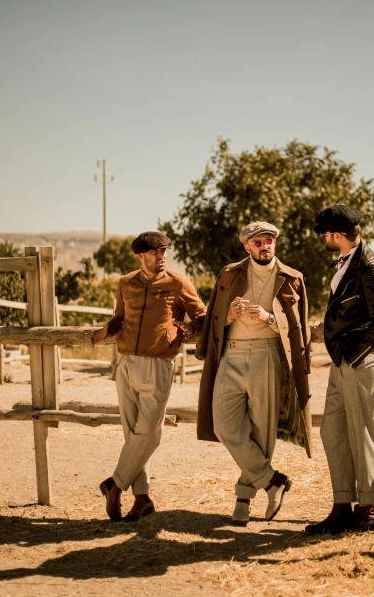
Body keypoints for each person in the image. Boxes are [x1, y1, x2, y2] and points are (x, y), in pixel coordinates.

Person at [195, 221, 312, 526]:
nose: (265, 246)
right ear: (246, 246)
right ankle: (273, 481)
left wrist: (269, 317)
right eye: (257, 242)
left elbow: (300, 328)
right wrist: (228, 316)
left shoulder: (292, 278)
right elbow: (214, 316)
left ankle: (243, 498)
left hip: (267, 356)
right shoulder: (229, 273)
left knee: (261, 432)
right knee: (223, 424)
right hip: (230, 354)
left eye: (269, 240)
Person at [91, 231, 207, 522]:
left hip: (158, 364)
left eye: (164, 251)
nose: (161, 256)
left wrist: (186, 331)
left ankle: (114, 484)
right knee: (132, 433)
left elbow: (203, 317)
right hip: (126, 362)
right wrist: (105, 330)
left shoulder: (178, 282)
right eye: (155, 253)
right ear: (141, 256)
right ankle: (141, 499)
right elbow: (120, 318)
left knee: (149, 434)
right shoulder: (126, 282)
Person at [305, 205, 374, 535]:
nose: (323, 239)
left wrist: (353, 357)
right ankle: (341, 508)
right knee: (333, 430)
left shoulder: (370, 267)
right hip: (345, 360)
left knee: (361, 433)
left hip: (360, 360)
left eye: (324, 234)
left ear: (337, 235)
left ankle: (366, 511)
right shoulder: (347, 262)